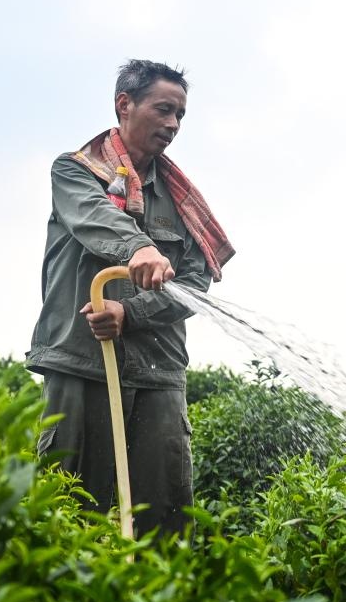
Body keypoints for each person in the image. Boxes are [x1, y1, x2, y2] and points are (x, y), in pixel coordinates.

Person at [26, 59, 234, 537]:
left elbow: (196, 283)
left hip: (158, 371)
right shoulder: (76, 172)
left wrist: (130, 312)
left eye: (180, 115)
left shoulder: (183, 202)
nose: (173, 124)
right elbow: (97, 219)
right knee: (70, 509)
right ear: (125, 104)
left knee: (165, 516)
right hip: (82, 361)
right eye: (163, 109)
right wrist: (138, 246)